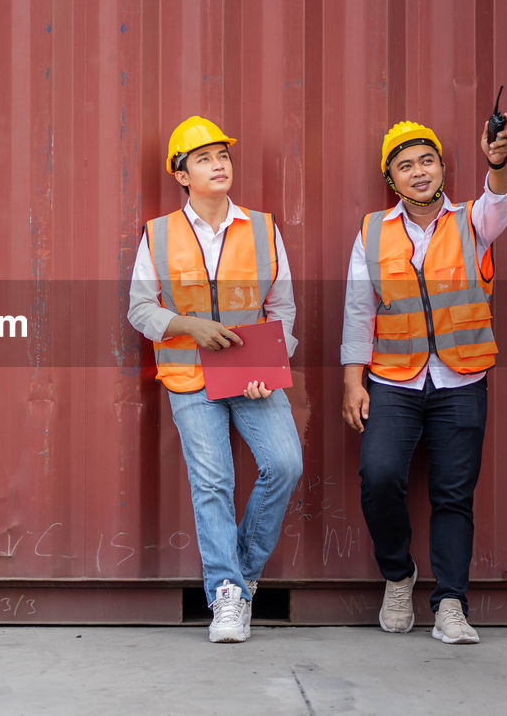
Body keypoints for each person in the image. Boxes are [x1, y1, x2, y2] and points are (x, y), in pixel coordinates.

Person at [340, 115, 507, 644]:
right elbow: (357, 311)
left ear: (442, 168)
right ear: (391, 180)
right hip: (394, 379)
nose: (419, 173)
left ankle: (451, 604)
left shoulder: (474, 221)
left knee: (453, 496)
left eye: (427, 161)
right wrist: (354, 381)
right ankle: (398, 574)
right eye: (406, 165)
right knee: (380, 476)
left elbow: (501, 199)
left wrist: (498, 163)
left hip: (462, 379)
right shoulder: (373, 231)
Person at [128, 116, 304, 643]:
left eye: (223, 156)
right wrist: (188, 326)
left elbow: (281, 306)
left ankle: (242, 571)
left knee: (285, 464)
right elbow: (140, 309)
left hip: (254, 376)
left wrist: (267, 369)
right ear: (181, 175)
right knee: (213, 484)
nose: (219, 164)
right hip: (189, 376)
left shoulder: (263, 227)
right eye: (204, 158)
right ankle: (227, 592)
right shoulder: (158, 235)